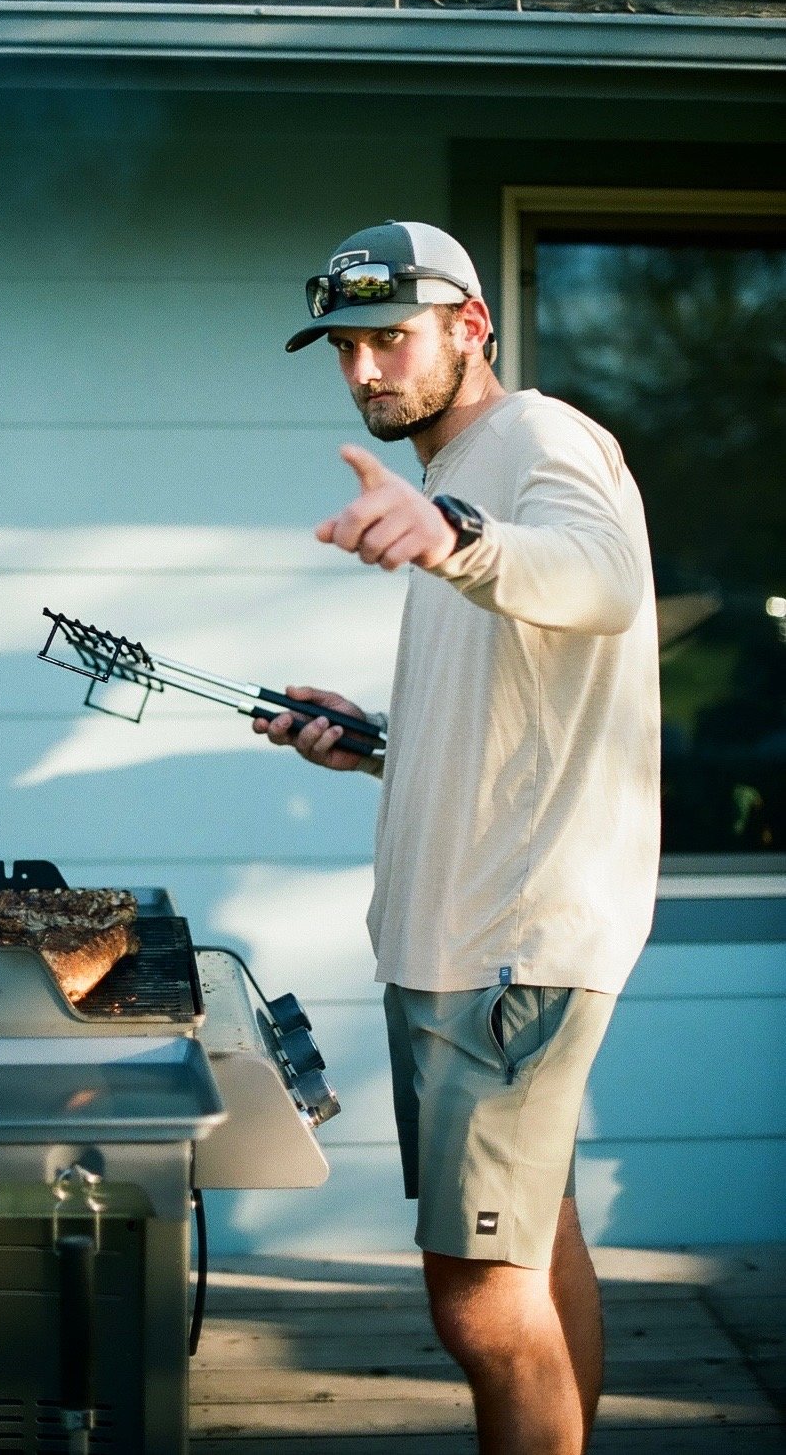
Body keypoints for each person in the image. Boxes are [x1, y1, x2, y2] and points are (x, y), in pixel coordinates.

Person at [255, 220, 661, 1455]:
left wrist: (459, 538)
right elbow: (518, 706)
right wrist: (375, 737)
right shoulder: (454, 477)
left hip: (506, 942)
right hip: (464, 934)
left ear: (469, 326)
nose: (366, 369)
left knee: (478, 1304)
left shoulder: (537, 439)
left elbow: (598, 578)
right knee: (533, 1252)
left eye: (391, 337)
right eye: (344, 347)